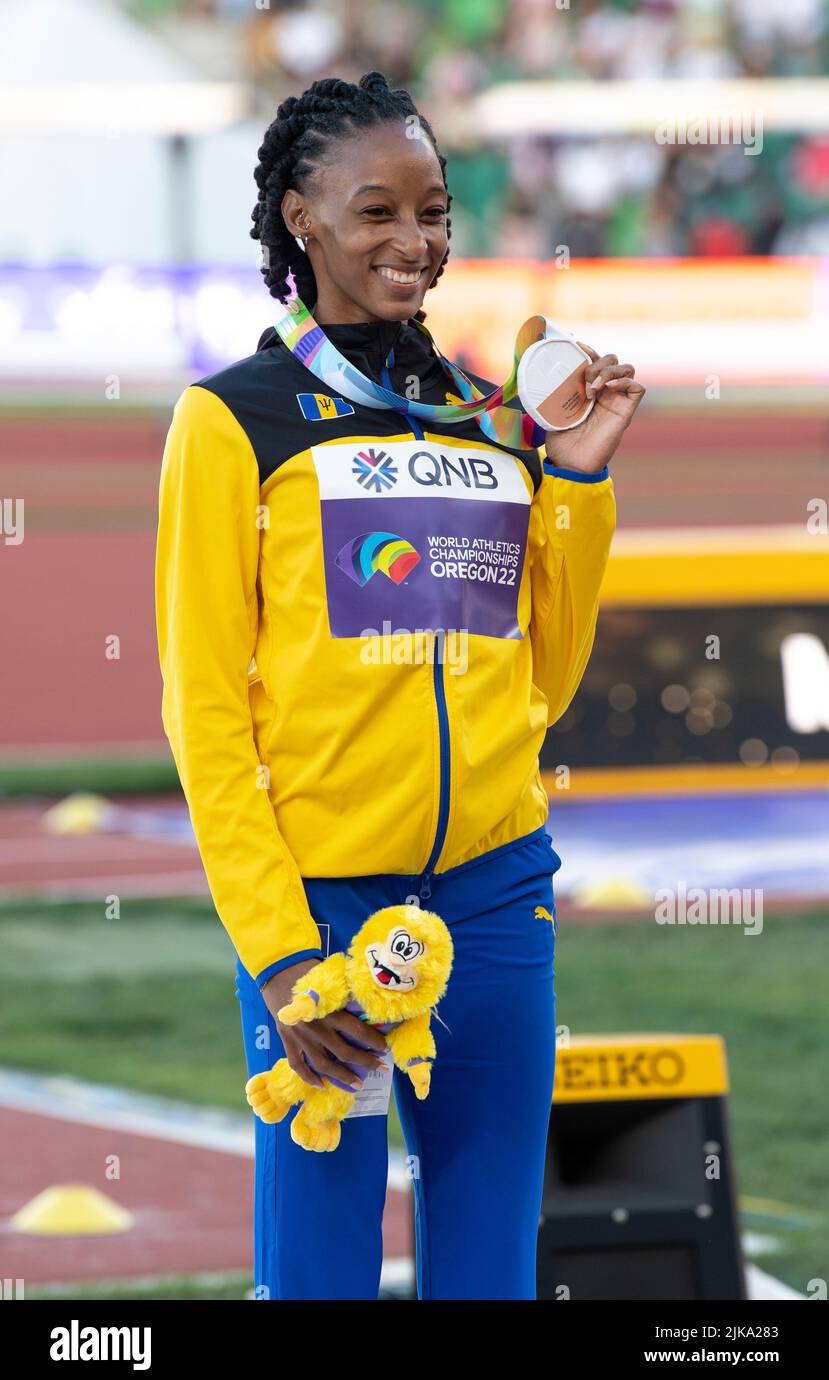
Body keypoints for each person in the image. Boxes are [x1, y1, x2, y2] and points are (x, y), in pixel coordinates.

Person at [155, 70, 644, 1301]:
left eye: (431, 212)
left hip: (493, 902)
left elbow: (543, 672)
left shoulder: (487, 416)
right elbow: (205, 712)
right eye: (375, 212)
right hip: (323, 918)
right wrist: (276, 954)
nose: (414, 242)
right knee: (318, 1273)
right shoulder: (232, 424)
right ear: (298, 217)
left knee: (487, 1274)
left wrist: (574, 486)